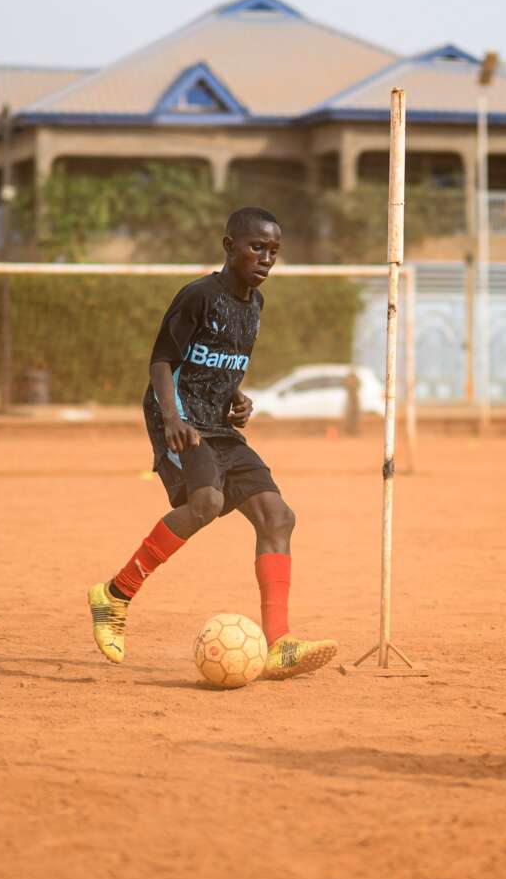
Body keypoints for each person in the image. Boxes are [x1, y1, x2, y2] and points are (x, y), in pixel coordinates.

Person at [87, 206, 338, 680]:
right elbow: (162, 362)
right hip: (178, 418)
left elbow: (219, 364)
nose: (266, 258)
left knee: (279, 516)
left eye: (274, 251)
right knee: (206, 500)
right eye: (256, 247)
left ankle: (279, 643)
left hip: (218, 423)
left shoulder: (255, 305)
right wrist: (173, 418)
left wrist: (238, 397)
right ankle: (115, 595)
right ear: (228, 246)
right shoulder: (199, 296)